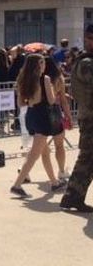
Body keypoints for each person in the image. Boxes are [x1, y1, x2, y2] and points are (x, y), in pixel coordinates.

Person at [12, 54, 66, 198]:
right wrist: (54, 93)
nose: (44, 66)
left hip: (31, 114)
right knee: (34, 154)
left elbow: (21, 103)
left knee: (44, 151)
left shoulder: (23, 80)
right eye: (42, 63)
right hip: (43, 116)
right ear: (37, 65)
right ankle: (16, 185)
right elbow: (51, 100)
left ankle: (54, 182)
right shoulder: (45, 79)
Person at [60, 25, 93, 212]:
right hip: (90, 118)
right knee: (86, 158)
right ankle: (72, 196)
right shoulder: (87, 63)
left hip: (88, 116)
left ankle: (73, 196)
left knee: (87, 159)